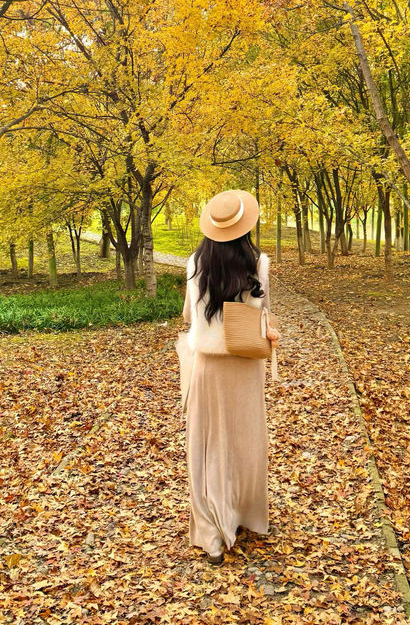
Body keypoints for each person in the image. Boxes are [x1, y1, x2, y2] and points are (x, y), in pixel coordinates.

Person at [178, 189, 280, 566]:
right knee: (244, 441)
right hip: (245, 362)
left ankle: (211, 534)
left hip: (207, 366)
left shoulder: (194, 263)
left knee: (207, 446)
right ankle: (244, 517)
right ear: (245, 226)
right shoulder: (259, 263)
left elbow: (189, 317)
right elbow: (263, 310)